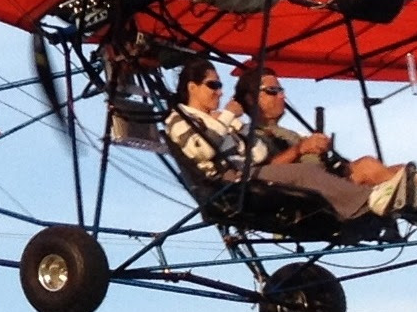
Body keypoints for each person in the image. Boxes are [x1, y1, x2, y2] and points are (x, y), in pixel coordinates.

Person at [164, 59, 397, 221]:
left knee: (366, 164)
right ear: (192, 87)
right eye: (213, 85)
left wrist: (236, 128)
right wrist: (227, 117)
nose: (219, 91)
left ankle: (408, 188)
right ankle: (369, 201)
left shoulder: (217, 121)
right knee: (304, 173)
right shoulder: (179, 119)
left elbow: (258, 153)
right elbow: (203, 150)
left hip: (246, 172)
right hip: (226, 184)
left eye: (220, 85)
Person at [232, 68, 417, 217]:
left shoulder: (288, 133)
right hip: (295, 196)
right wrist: (300, 149)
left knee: (376, 166)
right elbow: (260, 173)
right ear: (251, 98)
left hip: (328, 182)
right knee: (374, 173)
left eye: (281, 89)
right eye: (273, 90)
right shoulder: (247, 134)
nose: (282, 95)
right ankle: (403, 196)